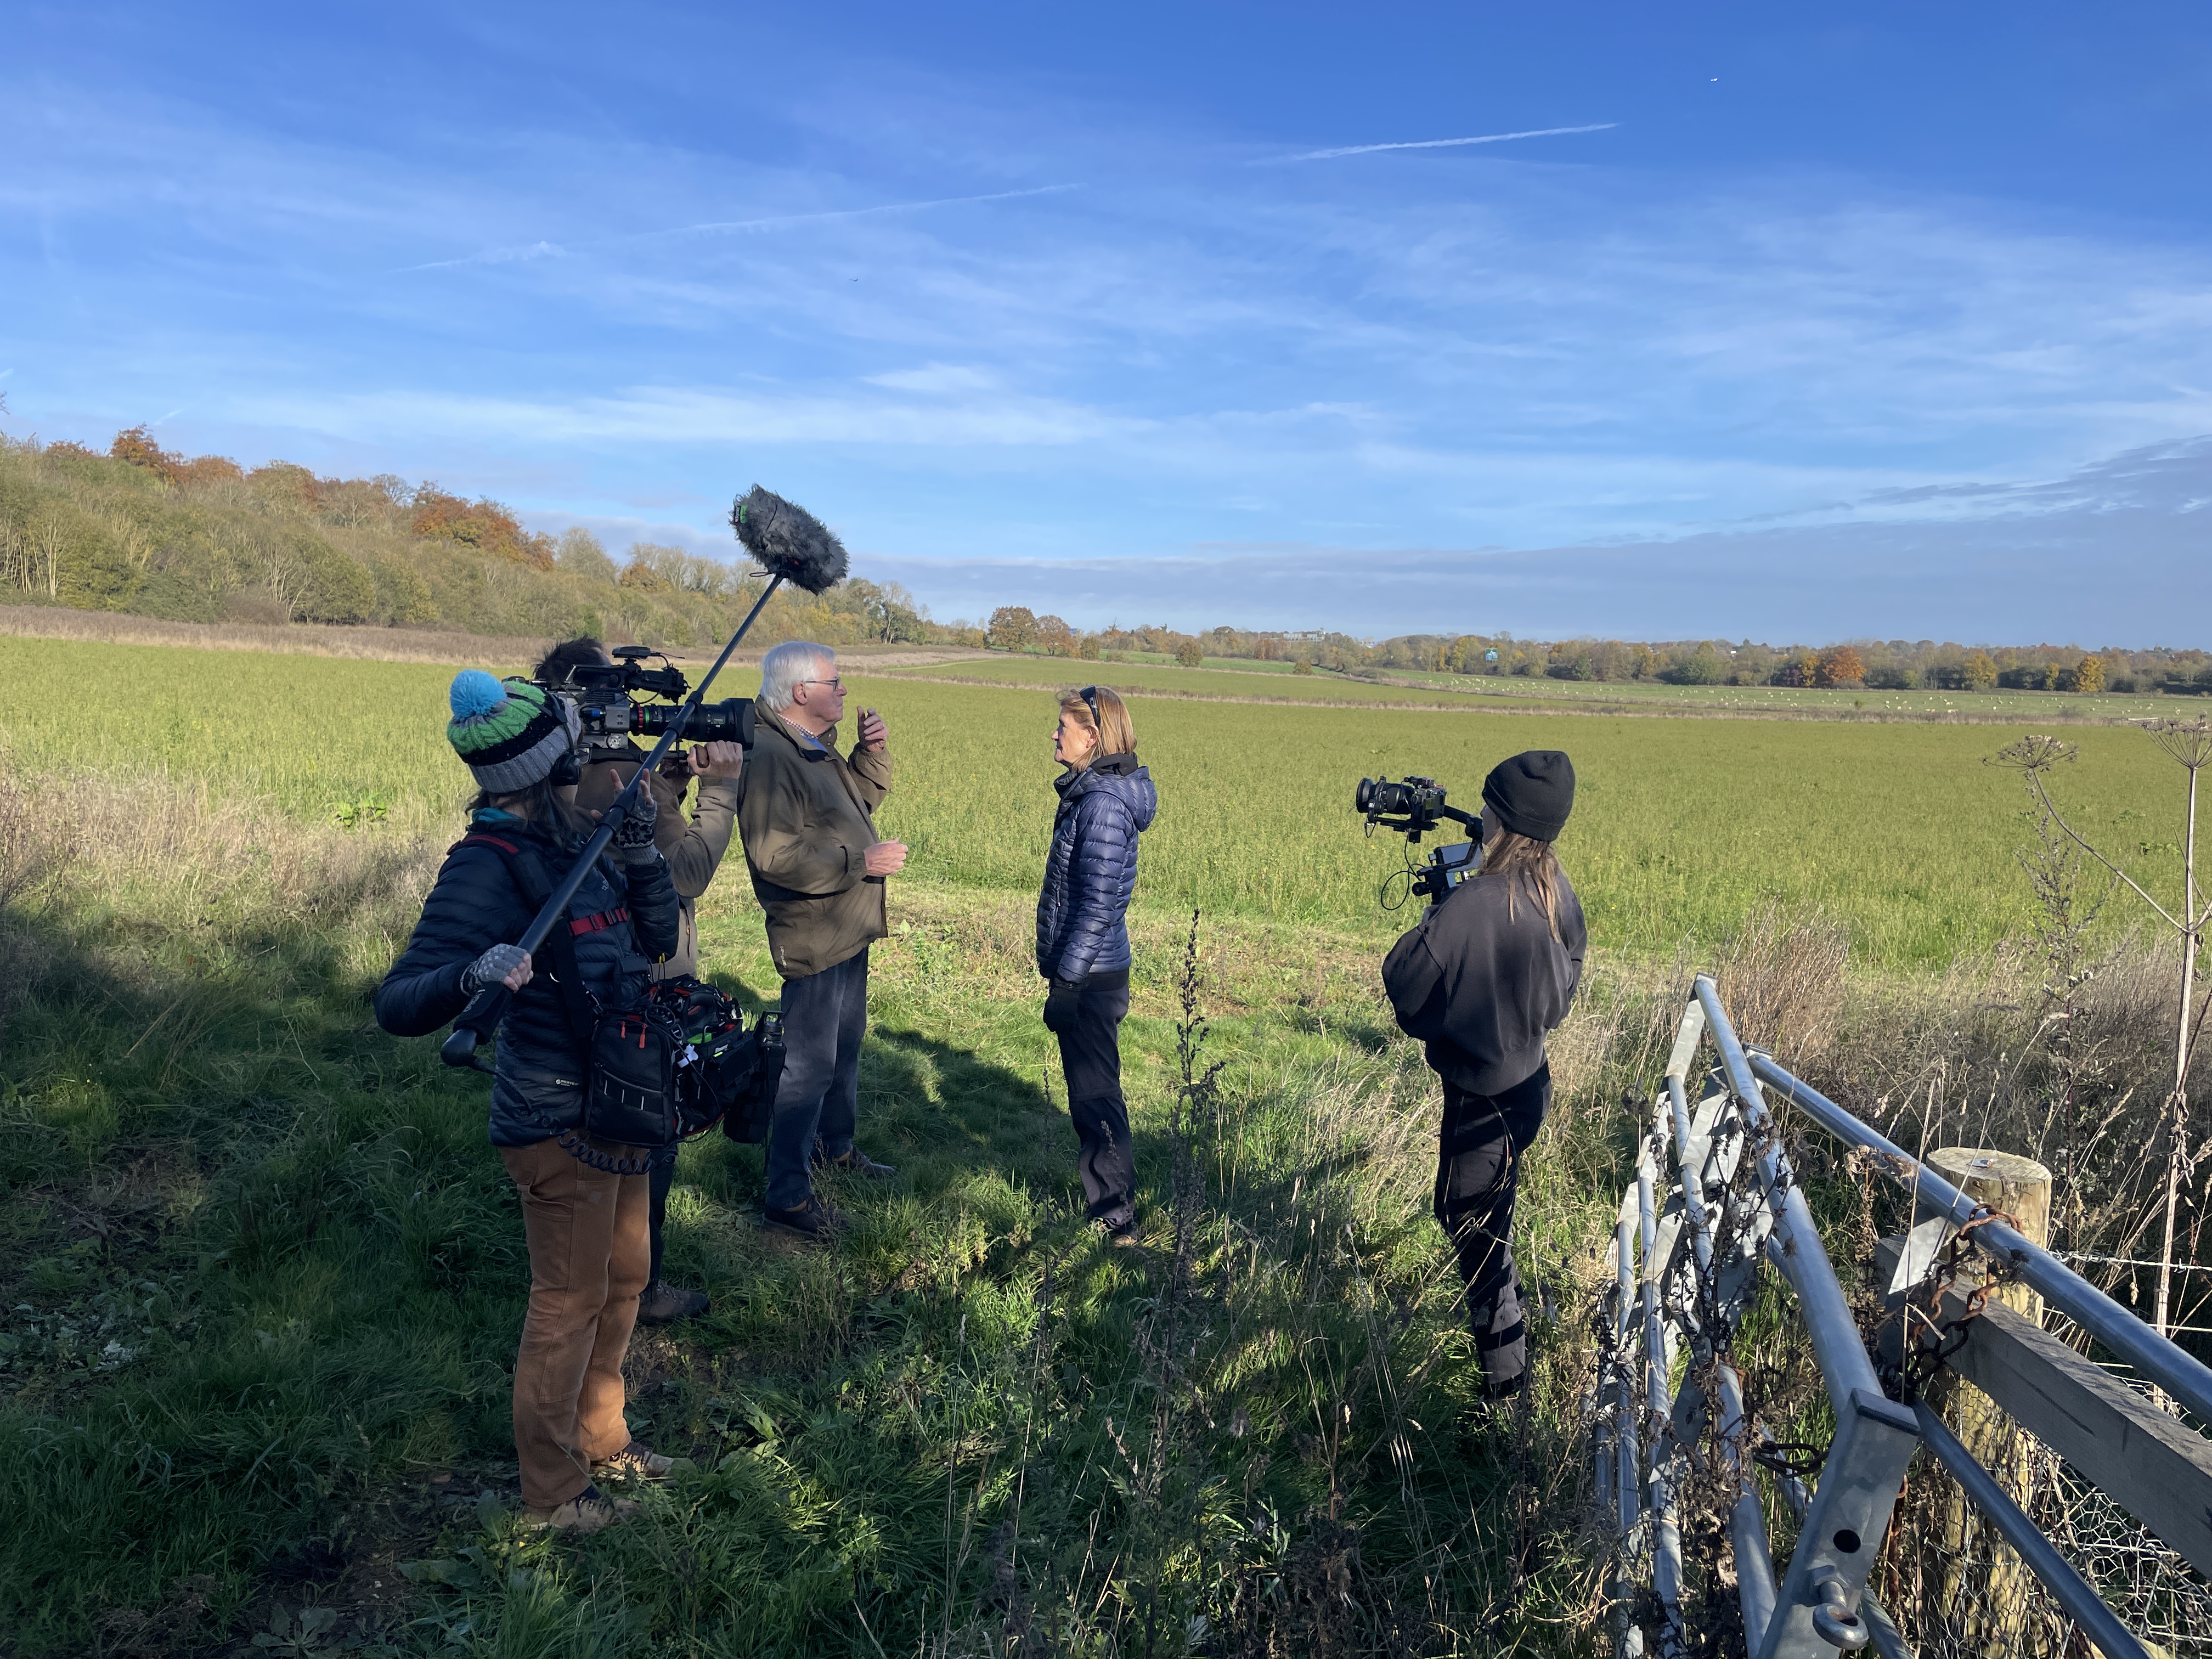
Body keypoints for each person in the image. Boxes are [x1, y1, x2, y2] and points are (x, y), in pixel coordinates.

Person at [374, 671, 681, 1533]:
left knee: (625, 1280)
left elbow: (657, 940)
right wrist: (472, 973)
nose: (587, 774)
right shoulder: (488, 865)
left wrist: (642, 848)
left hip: (620, 1107)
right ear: (543, 772)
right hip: (555, 1121)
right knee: (568, 1302)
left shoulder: (579, 842)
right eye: (574, 763)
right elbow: (399, 1002)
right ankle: (550, 1495)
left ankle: (603, 1437)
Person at [539, 637, 745, 1325]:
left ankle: (599, 1275)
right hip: (643, 977)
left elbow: (625, 844)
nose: (630, 705)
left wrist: (669, 786)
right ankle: (636, 1288)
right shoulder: (617, 773)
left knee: (594, 1137)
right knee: (645, 1137)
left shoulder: (557, 769)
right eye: (618, 693)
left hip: (578, 975)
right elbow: (680, 873)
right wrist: (719, 791)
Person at [1381, 751, 1585, 1402]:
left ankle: (1507, 1397)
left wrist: (1439, 914)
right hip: (1527, 1085)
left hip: (1481, 1100)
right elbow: (1564, 987)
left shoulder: (1477, 902)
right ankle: (1515, 1323)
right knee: (1484, 1214)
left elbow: (1405, 986)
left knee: (1472, 1228)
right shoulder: (1555, 890)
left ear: (1500, 815)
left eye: (1487, 803)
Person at [736, 641, 905, 1240]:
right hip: (812, 934)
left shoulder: (811, 746)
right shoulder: (771, 758)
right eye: (835, 682)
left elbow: (852, 806)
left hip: (847, 926)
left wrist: (873, 754)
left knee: (846, 1046)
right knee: (806, 1065)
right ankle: (786, 1196)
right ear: (801, 692)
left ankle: (834, 1149)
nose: (844, 691)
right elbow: (775, 854)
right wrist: (862, 862)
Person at [1036, 686, 1158, 1245]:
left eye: (1063, 726)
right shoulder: (1093, 796)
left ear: (1093, 737)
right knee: (1092, 1091)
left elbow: (1097, 905)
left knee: (1095, 1095)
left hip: (1091, 976)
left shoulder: (1103, 805)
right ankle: (1112, 1209)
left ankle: (1118, 1220)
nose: (1054, 734)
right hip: (1093, 970)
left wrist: (1067, 981)